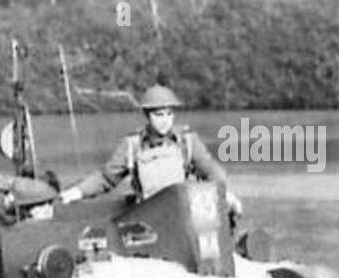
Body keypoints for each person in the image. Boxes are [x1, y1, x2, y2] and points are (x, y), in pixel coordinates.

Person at [58, 84, 242, 218]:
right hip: (148, 215)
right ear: (147, 116)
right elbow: (106, 178)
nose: (165, 120)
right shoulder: (132, 145)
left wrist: (223, 192)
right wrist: (76, 192)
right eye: (158, 115)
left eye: (169, 114)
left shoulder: (187, 141)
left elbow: (210, 168)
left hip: (183, 213)